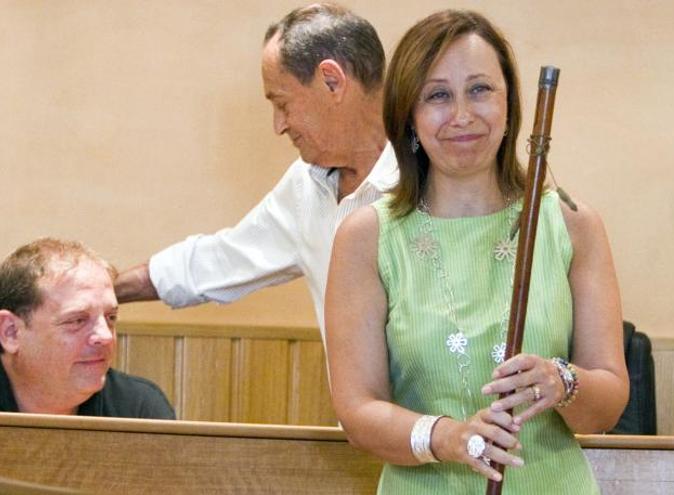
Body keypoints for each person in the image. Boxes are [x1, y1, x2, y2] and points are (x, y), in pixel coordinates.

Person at [325, 10, 629, 494]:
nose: (462, 115)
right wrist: (448, 437)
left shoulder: (573, 225)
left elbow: (609, 401)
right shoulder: (365, 236)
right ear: (409, 115)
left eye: (481, 90)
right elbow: (358, 409)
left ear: (510, 106)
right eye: (438, 95)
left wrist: (562, 381)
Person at [113, 3, 397, 342]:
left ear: (332, 82)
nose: (278, 126)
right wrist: (102, 289)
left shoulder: (439, 170)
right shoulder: (304, 188)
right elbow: (218, 262)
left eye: (282, 103)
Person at [0, 238, 175, 419]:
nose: (106, 336)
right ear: (11, 332)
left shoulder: (139, 408)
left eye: (111, 317)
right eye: (77, 320)